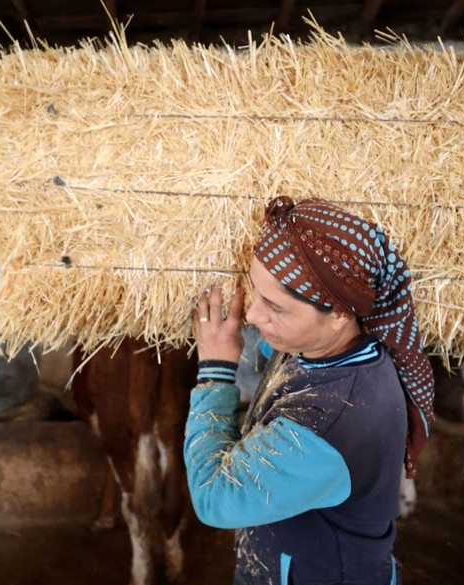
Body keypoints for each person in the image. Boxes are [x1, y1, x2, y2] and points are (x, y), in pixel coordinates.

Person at [184, 196, 434, 585]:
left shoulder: (330, 425)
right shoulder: (334, 346)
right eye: (256, 291)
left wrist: (215, 371)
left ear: (338, 314)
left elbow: (215, 497)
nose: (251, 315)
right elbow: (284, 349)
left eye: (274, 306)